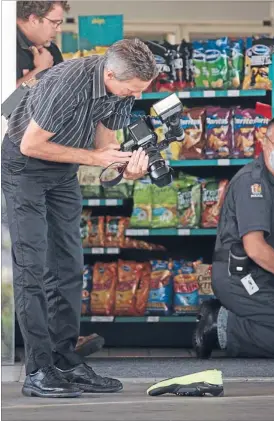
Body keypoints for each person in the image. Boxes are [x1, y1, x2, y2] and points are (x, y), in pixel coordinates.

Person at [2, 38, 158, 398]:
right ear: (110, 73)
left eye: (139, 91)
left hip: (62, 172)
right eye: (131, 89)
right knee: (33, 268)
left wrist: (126, 168)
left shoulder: (122, 89)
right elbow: (30, 145)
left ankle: (66, 360)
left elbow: (103, 148)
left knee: (69, 265)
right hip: (24, 167)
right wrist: (96, 159)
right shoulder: (68, 83)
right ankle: (39, 372)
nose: (133, 96)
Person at [16, 0, 105, 357]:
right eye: (54, 22)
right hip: (20, 163)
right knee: (30, 264)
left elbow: (65, 98)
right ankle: (39, 356)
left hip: (59, 163)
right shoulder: (13, 49)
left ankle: (62, 345)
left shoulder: (50, 48)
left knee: (65, 259)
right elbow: (6, 107)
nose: (57, 30)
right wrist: (38, 72)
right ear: (32, 18)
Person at [193, 115, 274, 360]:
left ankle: (233, 322)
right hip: (239, 278)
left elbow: (273, 246)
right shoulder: (254, 184)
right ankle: (220, 325)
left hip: (261, 277)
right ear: (264, 142)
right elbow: (256, 248)